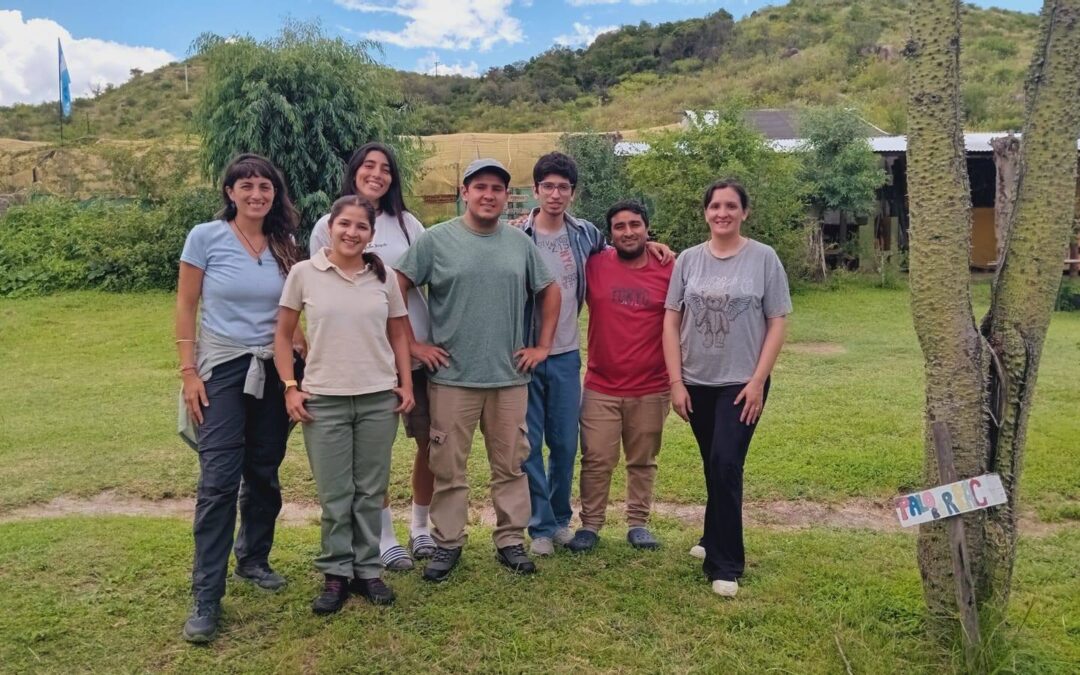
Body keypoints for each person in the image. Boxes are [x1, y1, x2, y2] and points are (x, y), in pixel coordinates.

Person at [396, 158, 560, 582]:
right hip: (452, 378)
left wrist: (542, 346)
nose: (488, 195)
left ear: (506, 197)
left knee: (511, 465)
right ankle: (447, 543)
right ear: (464, 193)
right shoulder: (436, 241)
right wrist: (414, 345)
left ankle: (510, 541)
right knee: (448, 467)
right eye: (480, 187)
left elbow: (550, 290)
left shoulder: (519, 244)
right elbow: (394, 289)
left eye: (497, 189)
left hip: (508, 378)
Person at [175, 153, 304, 643]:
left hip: (275, 372)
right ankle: (207, 595)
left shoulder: (284, 244)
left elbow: (289, 314)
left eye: (265, 187)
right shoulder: (204, 237)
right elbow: (187, 305)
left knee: (265, 470)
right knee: (218, 480)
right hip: (223, 370)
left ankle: (253, 558)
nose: (256, 194)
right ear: (230, 192)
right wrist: (189, 372)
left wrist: (304, 349)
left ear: (275, 194)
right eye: (246, 186)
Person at [519, 152, 673, 556]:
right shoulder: (518, 236)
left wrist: (653, 244)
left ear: (572, 193)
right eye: (547, 186)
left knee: (566, 446)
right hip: (525, 356)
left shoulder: (585, 236)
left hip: (568, 355)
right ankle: (540, 527)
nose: (555, 194)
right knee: (532, 446)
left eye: (563, 187)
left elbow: (626, 248)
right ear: (535, 191)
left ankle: (562, 520)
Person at [276, 195, 415, 614]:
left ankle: (368, 571)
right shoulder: (304, 273)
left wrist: (406, 384)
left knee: (370, 491)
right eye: (346, 224)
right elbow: (283, 335)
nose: (352, 233)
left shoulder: (383, 276)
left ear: (371, 235)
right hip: (324, 401)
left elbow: (398, 335)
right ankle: (336, 574)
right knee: (336, 495)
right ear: (331, 227)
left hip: (377, 399)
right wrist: (290, 386)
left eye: (362, 227)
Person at [310, 143, 437, 571]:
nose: (377, 174)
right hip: (362, 359)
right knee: (372, 455)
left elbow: (428, 282)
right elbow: (316, 290)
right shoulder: (329, 224)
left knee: (431, 442)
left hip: (415, 357)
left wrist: (419, 344)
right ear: (354, 171)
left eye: (385, 168)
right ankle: (384, 536)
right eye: (369, 165)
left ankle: (421, 528)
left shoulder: (408, 224)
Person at [662, 179, 791, 598]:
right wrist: (676, 382)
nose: (722, 212)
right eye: (715, 206)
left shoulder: (763, 258)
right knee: (712, 462)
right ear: (705, 213)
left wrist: (758, 381)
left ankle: (726, 563)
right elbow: (671, 319)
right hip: (696, 380)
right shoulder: (688, 260)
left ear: (744, 212)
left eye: (731, 206)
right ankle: (709, 537)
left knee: (725, 463)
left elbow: (777, 321)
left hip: (741, 383)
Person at [566, 201, 673, 553]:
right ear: (609, 233)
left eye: (635, 225)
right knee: (596, 459)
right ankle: (591, 525)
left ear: (647, 228)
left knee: (643, 460)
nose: (628, 232)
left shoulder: (668, 267)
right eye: (620, 226)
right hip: (601, 385)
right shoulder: (594, 264)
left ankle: (638, 523)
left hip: (652, 386)